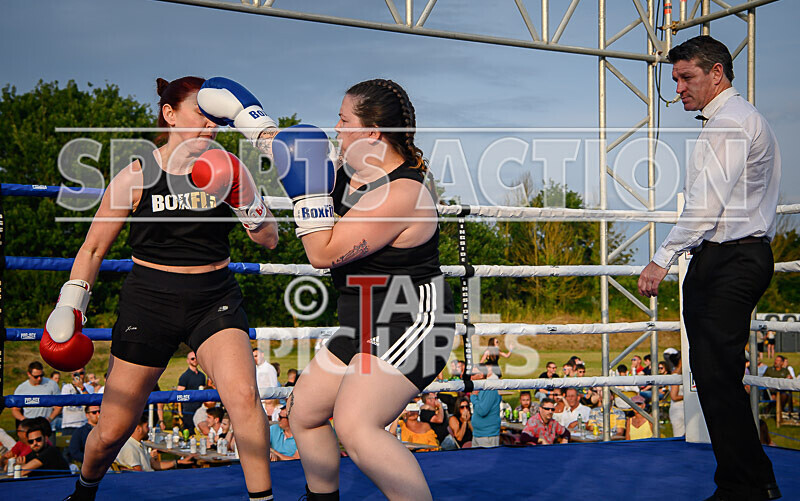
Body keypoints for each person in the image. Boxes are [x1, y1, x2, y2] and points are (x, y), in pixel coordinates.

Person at [55, 76, 279, 501]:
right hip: (150, 302)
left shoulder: (231, 167)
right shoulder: (137, 174)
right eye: (201, 115)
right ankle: (84, 491)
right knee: (112, 430)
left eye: (217, 119)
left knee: (245, 396)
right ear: (170, 114)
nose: (210, 126)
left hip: (215, 298)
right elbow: (94, 246)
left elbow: (269, 239)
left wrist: (245, 199)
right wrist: (72, 301)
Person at [280, 79, 456, 500]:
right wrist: (256, 124)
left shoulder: (401, 193)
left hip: (412, 319)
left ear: (373, 132)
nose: (336, 129)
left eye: (344, 120)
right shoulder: (346, 173)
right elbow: (282, 145)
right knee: (304, 412)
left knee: (356, 423)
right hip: (361, 319)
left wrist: (305, 197)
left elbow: (323, 253)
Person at [637, 36, 781, 501]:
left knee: (717, 375)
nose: (677, 87)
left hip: (736, 258)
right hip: (718, 258)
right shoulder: (725, 122)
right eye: (676, 78)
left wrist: (663, 257)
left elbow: (704, 206)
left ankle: (748, 484)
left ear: (716, 73)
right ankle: (746, 480)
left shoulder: (734, 123)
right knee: (712, 375)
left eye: (686, 77)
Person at [115, 413, 194, 471]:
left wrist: (178, 462)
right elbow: (138, 474)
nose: (149, 430)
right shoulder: (129, 447)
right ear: (138, 428)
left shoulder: (139, 443)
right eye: (146, 427)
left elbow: (154, 464)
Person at [11, 361, 61, 427]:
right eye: (36, 376)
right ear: (29, 374)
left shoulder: (52, 384)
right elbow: (15, 410)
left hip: (48, 426)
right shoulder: (21, 389)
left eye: (41, 375)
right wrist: (24, 420)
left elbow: (59, 406)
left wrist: (49, 419)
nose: (39, 378)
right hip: (30, 427)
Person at [470, 368, 502, 448]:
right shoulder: (479, 389)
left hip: (488, 435)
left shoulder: (490, 389)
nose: (470, 376)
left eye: (473, 374)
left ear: (481, 375)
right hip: (477, 434)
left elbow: (482, 411)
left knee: (486, 460)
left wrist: (473, 397)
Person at [176, 351, 206, 431]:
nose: (195, 360)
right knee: (189, 431)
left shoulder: (202, 376)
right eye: (192, 359)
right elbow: (179, 395)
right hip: (188, 408)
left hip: (200, 408)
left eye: (196, 358)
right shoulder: (184, 376)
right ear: (188, 361)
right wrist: (180, 411)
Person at [61, 368, 94, 435]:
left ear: (85, 373)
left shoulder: (89, 387)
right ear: (72, 375)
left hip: (84, 424)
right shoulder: (66, 387)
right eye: (76, 374)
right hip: (68, 424)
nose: (79, 376)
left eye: (81, 373)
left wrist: (82, 387)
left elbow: (89, 403)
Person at [668, 352, 685, 438]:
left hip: (685, 408)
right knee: (679, 436)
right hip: (678, 410)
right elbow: (674, 396)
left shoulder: (684, 375)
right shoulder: (676, 375)